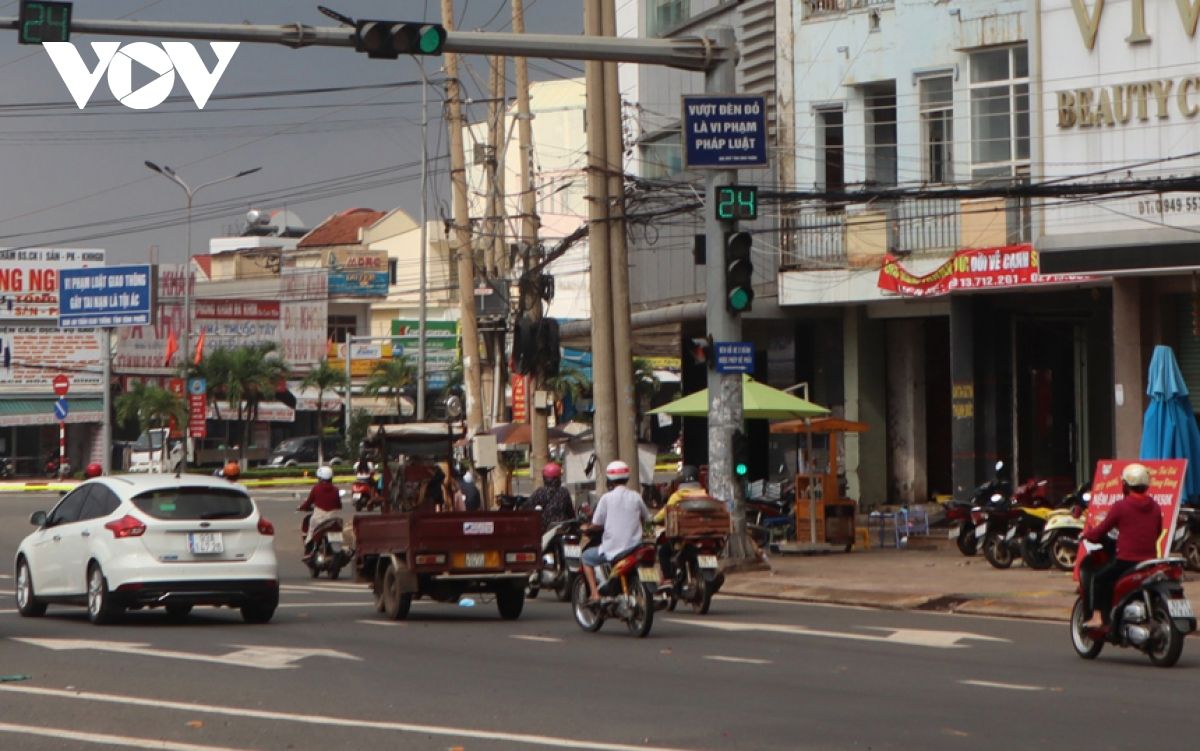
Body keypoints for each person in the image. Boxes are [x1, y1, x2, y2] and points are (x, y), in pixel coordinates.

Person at [1081, 462, 1163, 628]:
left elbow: (1100, 531)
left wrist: (1087, 534)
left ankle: (1097, 618)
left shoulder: (1121, 506)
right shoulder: (1155, 507)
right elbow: (1158, 532)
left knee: (1099, 578)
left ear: (1125, 485)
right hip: (1149, 562)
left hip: (1126, 561)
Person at [581, 460, 652, 603]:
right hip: (635, 547)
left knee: (586, 557)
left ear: (609, 479)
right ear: (627, 478)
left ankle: (595, 594)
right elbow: (647, 517)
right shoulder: (636, 496)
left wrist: (586, 528)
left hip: (613, 549)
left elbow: (596, 524)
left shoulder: (606, 499)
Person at [297, 465, 342, 553]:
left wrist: (301, 507)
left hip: (319, 518)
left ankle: (308, 547)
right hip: (332, 519)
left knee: (310, 531)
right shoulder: (336, 490)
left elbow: (308, 502)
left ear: (320, 478)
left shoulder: (316, 488)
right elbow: (339, 505)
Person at [530, 462, 574, 530]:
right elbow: (570, 513)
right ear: (558, 478)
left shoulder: (539, 492)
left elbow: (527, 508)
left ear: (544, 478)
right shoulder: (564, 492)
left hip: (545, 530)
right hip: (562, 528)